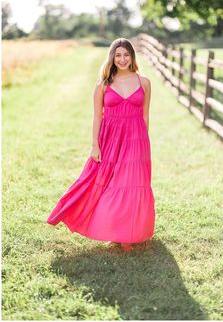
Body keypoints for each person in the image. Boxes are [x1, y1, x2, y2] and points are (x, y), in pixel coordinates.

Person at [47, 37, 155, 252]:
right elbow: (97, 117)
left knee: (132, 184)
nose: (122, 59)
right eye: (118, 55)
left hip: (136, 140)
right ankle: (114, 232)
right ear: (112, 58)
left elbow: (145, 116)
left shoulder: (144, 82)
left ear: (132, 57)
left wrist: (144, 144)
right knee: (110, 184)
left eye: (126, 55)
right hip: (110, 140)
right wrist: (94, 146)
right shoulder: (103, 85)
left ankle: (129, 235)